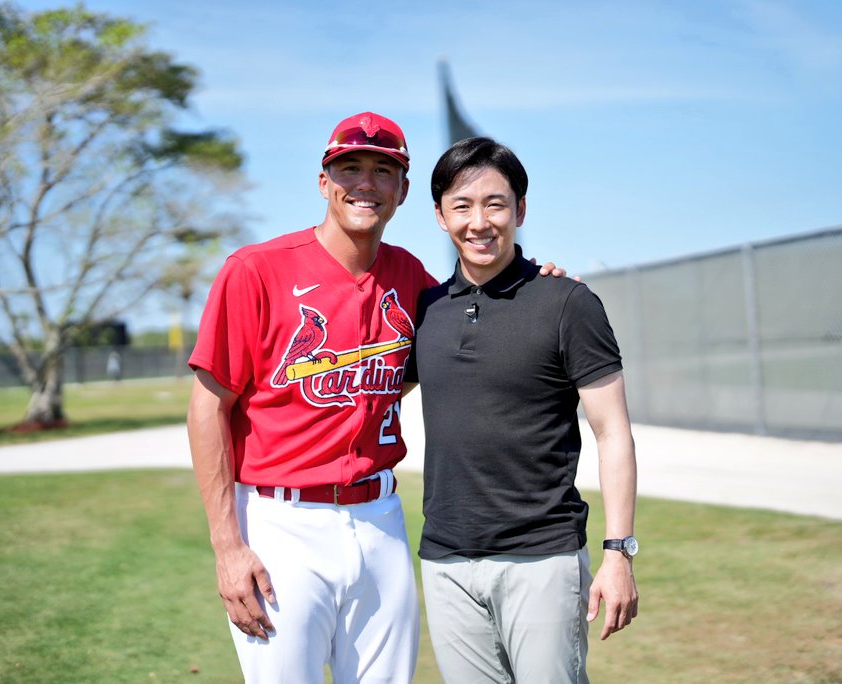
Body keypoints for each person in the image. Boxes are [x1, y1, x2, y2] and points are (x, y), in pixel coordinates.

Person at [186, 113, 565, 683]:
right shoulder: (256, 271)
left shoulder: (411, 278)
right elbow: (207, 406)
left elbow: (479, 318)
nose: (366, 183)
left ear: (403, 191)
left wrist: (542, 282)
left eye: (383, 171)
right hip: (281, 521)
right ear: (324, 181)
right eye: (350, 168)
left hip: (380, 518)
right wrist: (227, 546)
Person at [406, 136, 640, 683]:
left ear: (520, 210)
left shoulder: (567, 303)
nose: (479, 222)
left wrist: (618, 552)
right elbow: (364, 398)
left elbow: (613, 433)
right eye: (462, 206)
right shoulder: (426, 311)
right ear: (440, 216)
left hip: (543, 559)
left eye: (495, 204)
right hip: (445, 563)